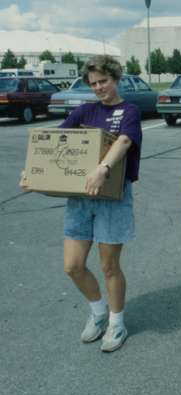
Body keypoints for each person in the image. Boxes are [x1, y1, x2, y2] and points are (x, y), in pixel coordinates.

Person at [21, 55, 142, 352]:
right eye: (93, 84)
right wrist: (33, 171)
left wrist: (103, 168)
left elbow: (124, 141)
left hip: (112, 198)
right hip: (79, 198)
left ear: (116, 79)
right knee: (73, 266)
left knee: (108, 266)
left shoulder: (129, 110)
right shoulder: (85, 111)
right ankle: (99, 313)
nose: (99, 87)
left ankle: (117, 323)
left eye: (104, 81)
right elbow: (55, 142)